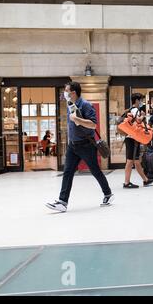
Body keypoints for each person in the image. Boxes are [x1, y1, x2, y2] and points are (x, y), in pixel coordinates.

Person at [45, 81, 114, 212]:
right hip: (73, 146)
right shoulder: (69, 104)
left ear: (73, 92)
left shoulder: (86, 105)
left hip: (86, 145)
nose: (64, 93)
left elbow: (93, 124)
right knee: (67, 172)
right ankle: (62, 202)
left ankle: (108, 194)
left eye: (66, 91)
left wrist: (78, 120)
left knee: (95, 171)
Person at [123, 93, 153, 189]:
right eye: (141, 100)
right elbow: (137, 121)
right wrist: (142, 116)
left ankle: (145, 180)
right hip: (132, 139)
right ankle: (126, 182)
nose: (141, 102)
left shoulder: (129, 110)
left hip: (130, 138)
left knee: (136, 161)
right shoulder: (135, 110)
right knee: (130, 161)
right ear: (136, 100)